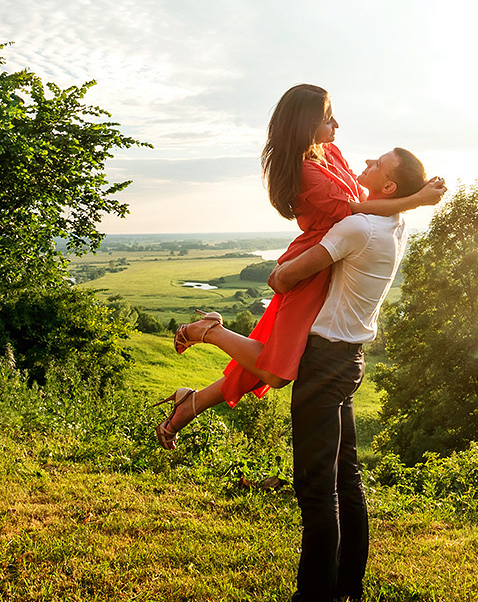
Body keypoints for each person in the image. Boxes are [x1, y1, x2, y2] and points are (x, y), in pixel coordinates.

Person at [183, 144, 431, 602]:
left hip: (323, 364)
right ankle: (347, 588)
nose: (364, 164)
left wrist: (286, 269)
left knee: (316, 491)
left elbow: (285, 277)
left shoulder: (358, 227)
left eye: (376, 165)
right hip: (351, 359)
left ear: (387, 187)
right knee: (345, 477)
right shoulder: (394, 223)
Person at [154, 83, 442, 446]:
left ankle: (190, 403)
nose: (336, 125)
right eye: (328, 118)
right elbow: (355, 208)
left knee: (268, 355)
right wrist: (415, 200)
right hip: (314, 262)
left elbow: (361, 199)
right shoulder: (306, 170)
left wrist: (409, 193)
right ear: (306, 125)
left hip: (334, 258)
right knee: (276, 369)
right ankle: (209, 331)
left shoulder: (330, 152)